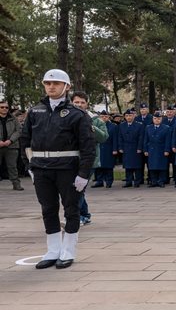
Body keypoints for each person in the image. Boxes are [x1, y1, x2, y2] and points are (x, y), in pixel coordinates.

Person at [19, 69, 95, 269]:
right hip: (42, 169)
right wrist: (30, 167)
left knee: (71, 210)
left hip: (67, 170)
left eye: (56, 83)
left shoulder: (77, 114)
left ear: (66, 87)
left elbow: (88, 147)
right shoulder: (35, 111)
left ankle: (68, 251)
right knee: (48, 210)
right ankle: (53, 251)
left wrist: (83, 174)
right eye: (47, 83)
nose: (51, 87)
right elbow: (25, 141)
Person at [70, 91, 109, 226]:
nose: (79, 105)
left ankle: (77, 216)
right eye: (76, 102)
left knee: (78, 188)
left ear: (87, 104)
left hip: (89, 160)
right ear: (71, 103)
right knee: (75, 189)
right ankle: (84, 214)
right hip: (71, 159)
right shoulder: (66, 118)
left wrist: (91, 127)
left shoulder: (96, 120)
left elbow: (103, 137)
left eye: (82, 102)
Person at [117, 108, 145, 187]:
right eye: (127, 116)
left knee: (137, 166)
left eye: (130, 115)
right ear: (125, 117)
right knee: (128, 166)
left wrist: (140, 148)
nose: (129, 117)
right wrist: (120, 147)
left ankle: (137, 181)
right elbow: (120, 137)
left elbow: (141, 137)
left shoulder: (139, 125)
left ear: (133, 116)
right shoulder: (122, 125)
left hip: (135, 147)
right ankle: (128, 181)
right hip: (126, 148)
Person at [143, 111, 171, 187]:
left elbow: (168, 140)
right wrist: (145, 150)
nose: (157, 120)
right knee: (152, 167)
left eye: (158, 118)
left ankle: (161, 181)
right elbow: (146, 140)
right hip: (151, 150)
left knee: (162, 166)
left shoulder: (166, 128)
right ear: (153, 119)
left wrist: (167, 150)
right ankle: (154, 181)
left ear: (161, 119)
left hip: (161, 149)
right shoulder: (148, 127)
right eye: (155, 118)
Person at [0, 98, 23, 190]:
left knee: (12, 166)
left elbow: (19, 130)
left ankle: (16, 184)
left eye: (6, 107)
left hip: (12, 146)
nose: (4, 109)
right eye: (2, 107)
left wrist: (10, 140)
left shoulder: (13, 119)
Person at [94, 110, 117, 188]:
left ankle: (109, 181)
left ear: (109, 117)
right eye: (102, 116)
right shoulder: (96, 125)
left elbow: (115, 139)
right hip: (99, 147)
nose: (104, 118)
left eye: (106, 117)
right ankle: (99, 181)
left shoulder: (113, 126)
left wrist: (114, 149)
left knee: (108, 166)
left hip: (108, 148)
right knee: (99, 166)